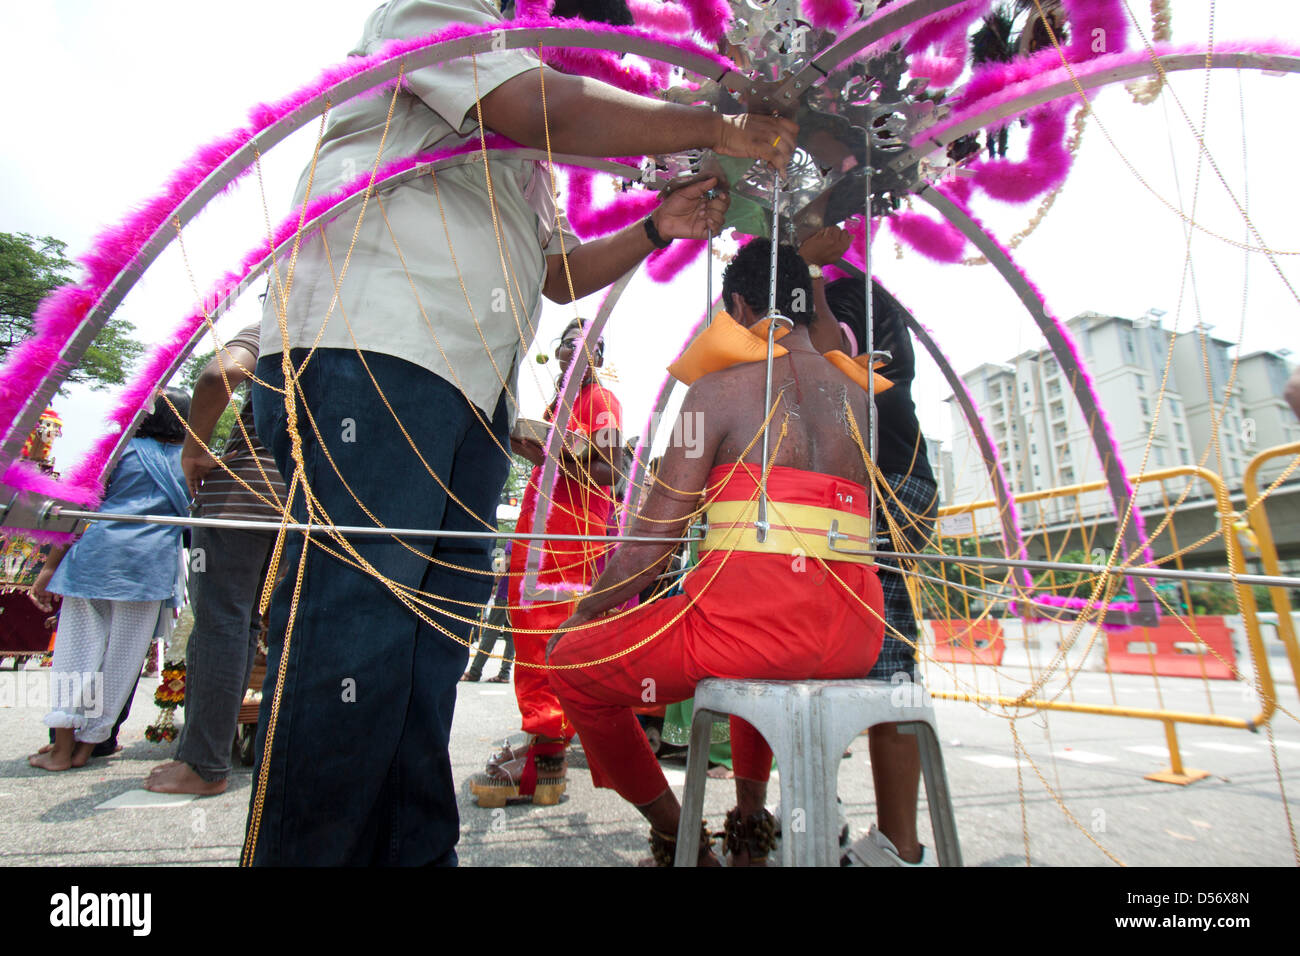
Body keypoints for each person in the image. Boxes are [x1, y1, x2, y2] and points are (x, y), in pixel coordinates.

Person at [248, 0, 795, 865]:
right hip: (374, 347)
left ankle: (415, 854)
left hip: (473, 391)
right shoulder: (453, 23)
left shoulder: (525, 135)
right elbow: (549, 107)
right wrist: (720, 123)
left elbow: (556, 273)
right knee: (353, 634)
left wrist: (660, 226)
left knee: (426, 653)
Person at [546, 240, 885, 865]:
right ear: (810, 307)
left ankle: (680, 837)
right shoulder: (860, 400)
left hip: (747, 632)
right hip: (855, 638)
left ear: (734, 306)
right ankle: (751, 825)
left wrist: (588, 609)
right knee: (757, 659)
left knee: (569, 661)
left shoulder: (715, 395)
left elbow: (650, 547)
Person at [800, 230, 941, 866]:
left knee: (886, 661)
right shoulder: (854, 292)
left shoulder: (852, 293)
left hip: (881, 485)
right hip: (876, 483)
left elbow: (837, 364)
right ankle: (828, 814)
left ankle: (896, 846)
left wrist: (809, 275)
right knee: (847, 649)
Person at [469, 318, 621, 806]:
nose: (575, 349)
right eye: (568, 342)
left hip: (569, 543)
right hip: (539, 535)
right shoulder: (561, 405)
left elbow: (611, 472)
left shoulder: (601, 402)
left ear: (599, 356)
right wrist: (531, 447)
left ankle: (546, 758)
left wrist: (561, 453)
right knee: (532, 636)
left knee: (551, 639)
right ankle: (546, 752)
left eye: (588, 344)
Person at [147, 325, 289, 796]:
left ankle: (204, 765)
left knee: (223, 625)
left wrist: (193, 450)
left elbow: (219, 376)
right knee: (267, 629)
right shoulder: (368, 334)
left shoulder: (281, 319)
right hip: (306, 505)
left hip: (242, 495)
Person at [27, 389, 191, 772]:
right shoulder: (191, 462)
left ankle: (62, 750)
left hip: (97, 561)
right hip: (149, 570)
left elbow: (77, 511)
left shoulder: (117, 452)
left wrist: (50, 567)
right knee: (121, 662)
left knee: (76, 654)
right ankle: (88, 747)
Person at [461, 543, 514, 683]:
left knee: (490, 632)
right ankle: (504, 673)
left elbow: (506, 562)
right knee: (510, 636)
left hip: (505, 594)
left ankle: (474, 671)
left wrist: (494, 582)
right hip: (519, 595)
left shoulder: (515, 538)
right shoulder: (530, 539)